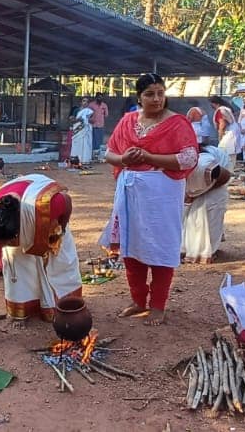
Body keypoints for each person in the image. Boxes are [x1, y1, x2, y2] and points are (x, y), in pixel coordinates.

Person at [99, 73, 198, 326]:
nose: (156, 99)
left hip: (162, 194)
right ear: (139, 98)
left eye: (160, 93)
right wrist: (124, 160)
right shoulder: (128, 120)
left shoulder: (177, 123)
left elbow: (188, 158)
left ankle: (157, 305)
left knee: (160, 247)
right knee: (131, 247)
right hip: (131, 192)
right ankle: (138, 300)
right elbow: (109, 152)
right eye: (149, 94)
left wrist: (148, 157)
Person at [0, 174, 82, 339]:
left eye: (3, 244)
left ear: (15, 236)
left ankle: (61, 305)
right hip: (18, 216)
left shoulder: (46, 206)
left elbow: (66, 200)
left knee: (58, 264)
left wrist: (62, 226)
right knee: (16, 263)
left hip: (47, 219)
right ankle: (25, 310)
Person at [183, 145, 232, 264]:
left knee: (211, 214)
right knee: (192, 216)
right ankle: (191, 249)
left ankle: (207, 252)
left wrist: (204, 191)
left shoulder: (203, 165)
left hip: (218, 183)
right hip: (202, 182)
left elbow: (224, 176)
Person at [70, 97, 95, 164]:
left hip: (86, 131)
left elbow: (93, 121)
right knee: (77, 145)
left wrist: (87, 119)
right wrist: (80, 119)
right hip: (78, 131)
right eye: (84, 101)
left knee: (86, 145)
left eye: (87, 101)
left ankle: (85, 160)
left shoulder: (90, 111)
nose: (85, 102)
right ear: (80, 102)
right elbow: (71, 120)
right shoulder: (76, 110)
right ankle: (75, 160)